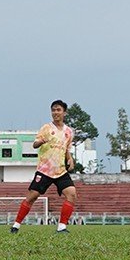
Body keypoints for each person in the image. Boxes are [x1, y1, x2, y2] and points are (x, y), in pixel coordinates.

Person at [11, 100, 79, 235]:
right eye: (53, 110)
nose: (55, 112)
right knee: (31, 197)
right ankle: (16, 225)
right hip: (45, 170)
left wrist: (70, 159)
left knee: (71, 194)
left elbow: (66, 149)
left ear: (64, 112)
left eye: (58, 110)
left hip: (60, 170)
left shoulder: (68, 132)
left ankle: (62, 227)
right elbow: (35, 144)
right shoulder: (46, 128)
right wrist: (40, 141)